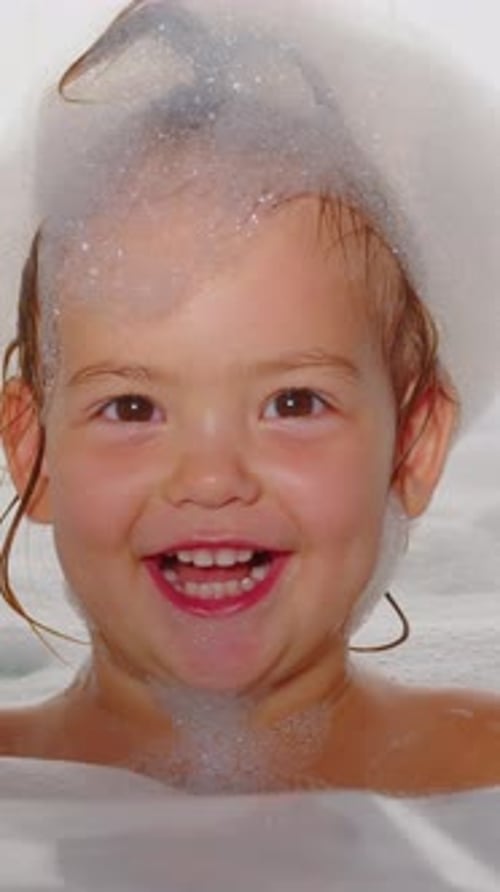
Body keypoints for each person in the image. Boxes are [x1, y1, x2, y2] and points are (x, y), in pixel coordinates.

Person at [0, 0, 500, 795]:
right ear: (35, 453)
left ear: (412, 445)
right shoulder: (15, 785)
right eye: (132, 408)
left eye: (293, 403)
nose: (209, 477)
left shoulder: (479, 770)